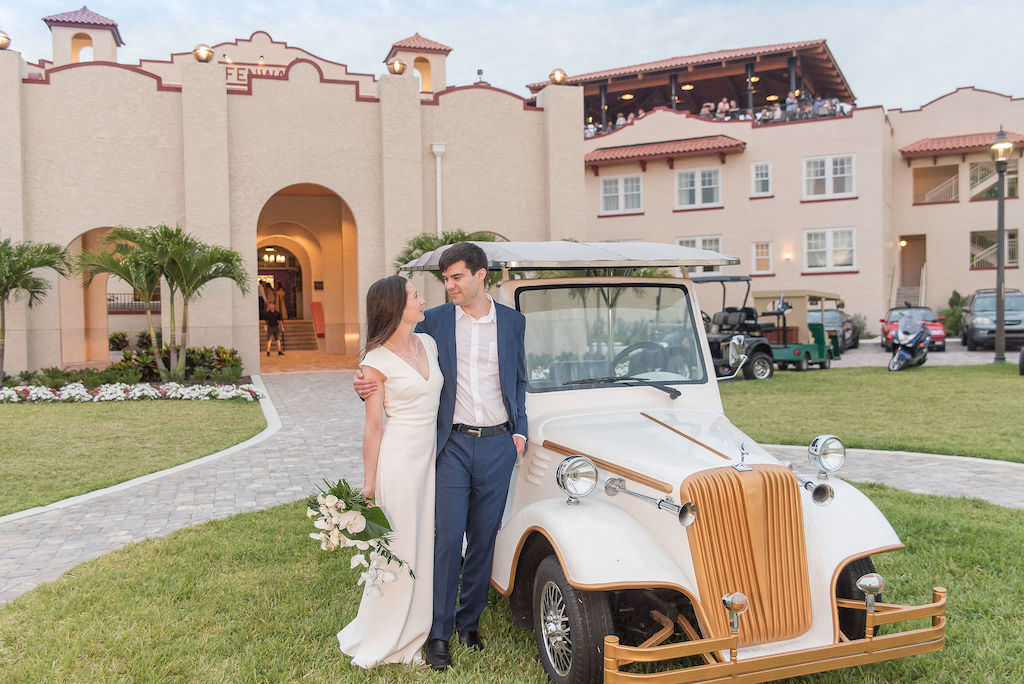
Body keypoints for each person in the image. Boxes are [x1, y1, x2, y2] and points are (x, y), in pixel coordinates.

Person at [353, 242, 528, 672]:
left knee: (484, 538)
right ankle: (438, 633)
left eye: (456, 277)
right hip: (449, 446)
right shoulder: (431, 324)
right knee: (447, 540)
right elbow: (387, 355)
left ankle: (470, 623)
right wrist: (362, 384)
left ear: (480, 274)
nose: (447, 286)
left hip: (499, 445)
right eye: (444, 278)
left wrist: (520, 429)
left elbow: (520, 377)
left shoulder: (513, 322)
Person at [338, 275, 442, 669]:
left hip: (431, 459)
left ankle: (418, 625)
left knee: (421, 546)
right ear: (396, 306)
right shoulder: (375, 361)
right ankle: (388, 636)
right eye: (415, 295)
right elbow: (374, 427)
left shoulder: (428, 343)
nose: (422, 299)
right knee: (398, 548)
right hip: (398, 461)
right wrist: (369, 483)